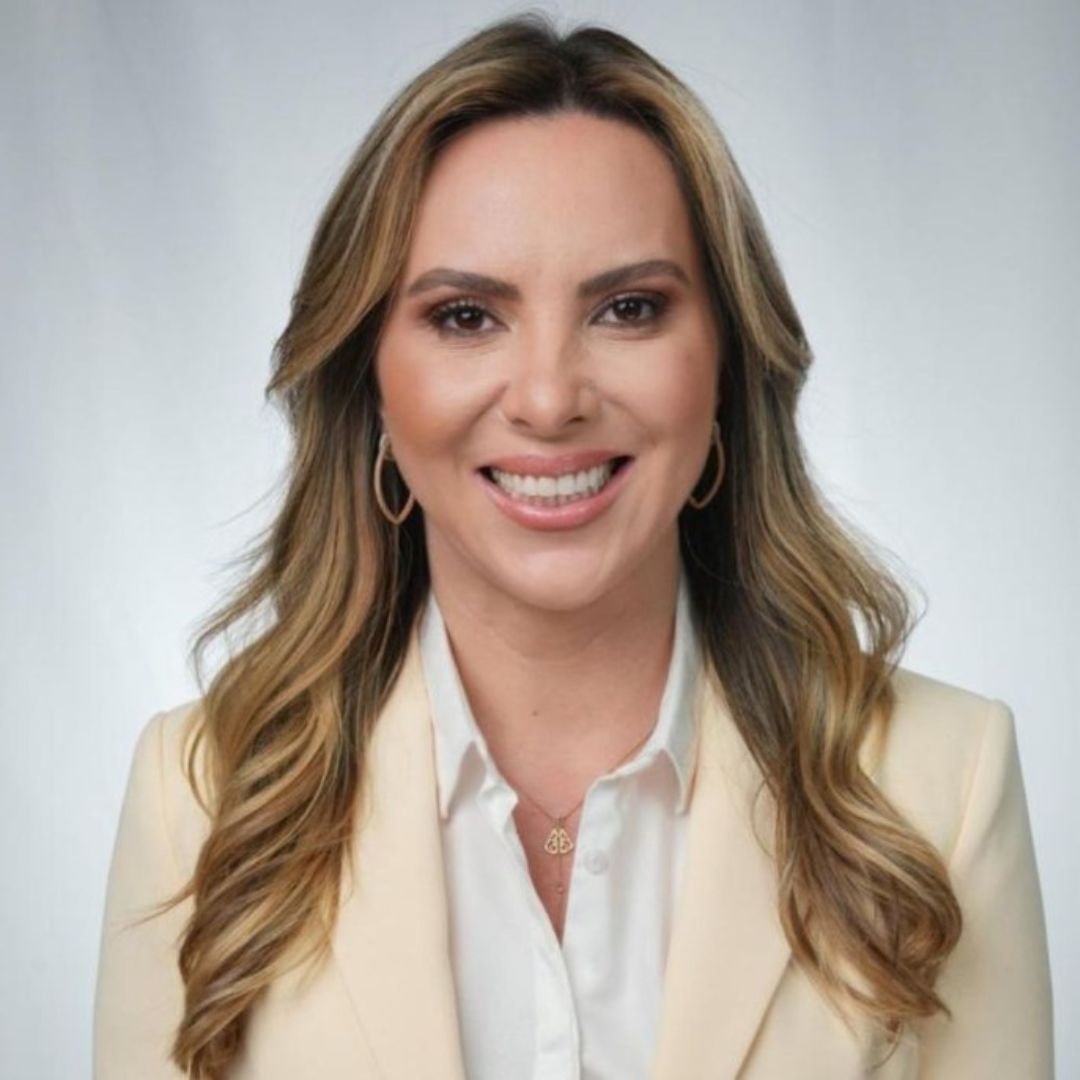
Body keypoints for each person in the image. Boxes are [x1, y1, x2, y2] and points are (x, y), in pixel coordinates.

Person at [93, 13, 1053, 1080]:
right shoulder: (203, 796)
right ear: (370, 381)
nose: (549, 401)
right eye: (467, 317)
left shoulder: (939, 783)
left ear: (726, 367)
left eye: (628, 308)